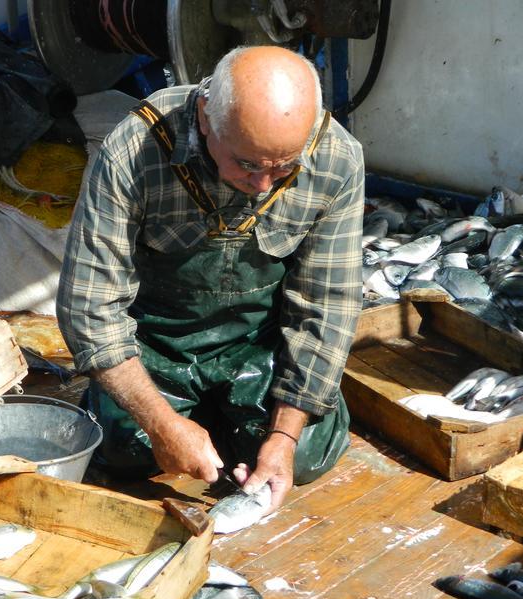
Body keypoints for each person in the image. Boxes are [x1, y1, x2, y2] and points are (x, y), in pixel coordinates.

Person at [56, 45, 364, 510]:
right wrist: (161, 424)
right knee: (126, 448)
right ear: (204, 117)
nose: (264, 184)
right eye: (248, 163)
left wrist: (282, 436)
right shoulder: (132, 151)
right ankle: (185, 418)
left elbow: (327, 304)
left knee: (307, 454)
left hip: (258, 346)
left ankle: (223, 421)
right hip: (157, 345)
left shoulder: (338, 158)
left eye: (284, 167)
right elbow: (88, 309)